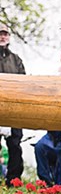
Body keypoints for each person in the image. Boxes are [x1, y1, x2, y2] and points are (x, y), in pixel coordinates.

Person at [0, 23, 25, 182]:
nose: (2, 37)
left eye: (5, 34)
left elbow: (24, 82)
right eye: (0, 34)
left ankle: (13, 180)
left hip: (13, 109)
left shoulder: (16, 60)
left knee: (15, 145)